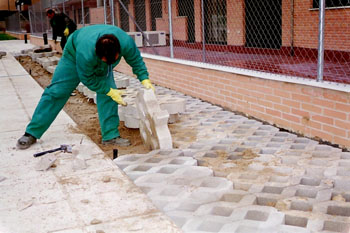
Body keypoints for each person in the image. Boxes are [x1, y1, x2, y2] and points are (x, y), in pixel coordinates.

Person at [17, 24, 155, 149]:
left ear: (119, 50)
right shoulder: (86, 53)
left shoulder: (125, 42)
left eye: (112, 61)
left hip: (99, 53)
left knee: (110, 95)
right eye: (105, 61)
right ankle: (32, 133)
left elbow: (136, 61)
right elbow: (87, 78)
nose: (109, 64)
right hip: (73, 53)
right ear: (97, 52)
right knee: (57, 92)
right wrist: (107, 90)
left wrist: (145, 79)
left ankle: (110, 136)